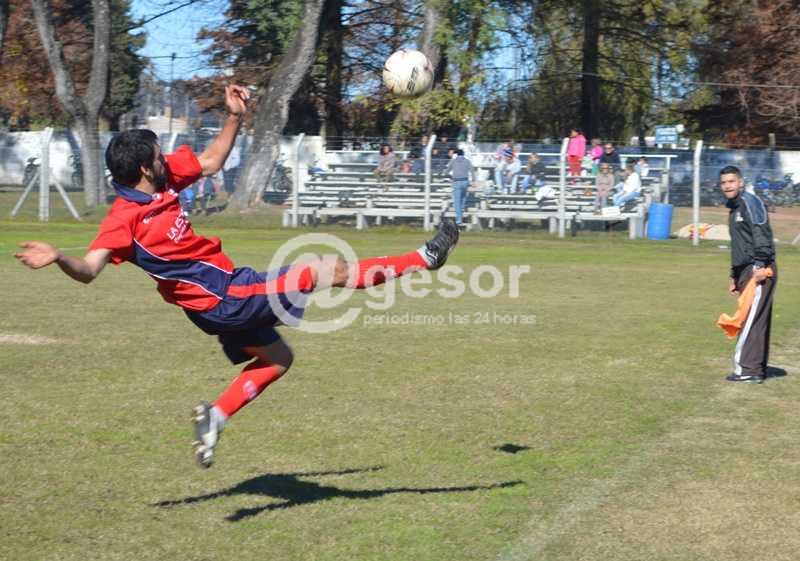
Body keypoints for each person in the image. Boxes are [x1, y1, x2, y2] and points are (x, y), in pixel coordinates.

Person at [14, 84, 461, 468]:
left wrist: (234, 116)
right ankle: (426, 257)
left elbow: (211, 161)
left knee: (278, 359)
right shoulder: (123, 218)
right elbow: (89, 269)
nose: (165, 158)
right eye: (158, 156)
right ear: (146, 169)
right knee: (325, 270)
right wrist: (59, 257)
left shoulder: (163, 180)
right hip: (224, 297)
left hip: (217, 301)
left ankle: (216, 416)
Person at [719, 165, 777, 384]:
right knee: (755, 319)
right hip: (745, 270)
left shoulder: (750, 202)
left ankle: (748, 370)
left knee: (750, 320)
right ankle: (756, 368)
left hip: (758, 269)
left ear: (741, 182)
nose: (727, 186)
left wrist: (760, 264)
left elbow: (761, 234)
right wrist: (734, 276)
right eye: (724, 183)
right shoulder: (735, 208)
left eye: (731, 181)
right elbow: (740, 244)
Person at [444, 149, 474, 226]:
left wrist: (450, 176)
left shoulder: (453, 161)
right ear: (463, 154)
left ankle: (459, 219)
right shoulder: (467, 161)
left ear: (457, 154)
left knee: (457, 201)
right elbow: (472, 171)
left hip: (457, 181)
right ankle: (461, 211)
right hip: (465, 181)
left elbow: (446, 171)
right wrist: (473, 180)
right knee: (463, 198)